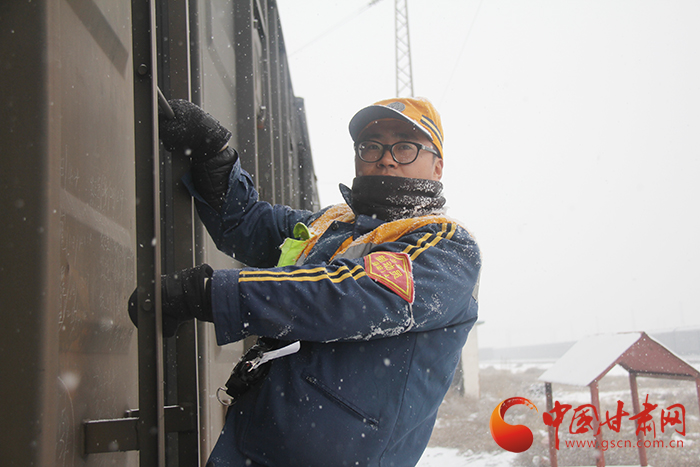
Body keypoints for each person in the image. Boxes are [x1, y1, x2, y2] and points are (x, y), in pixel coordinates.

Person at [131, 97, 481, 466]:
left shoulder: (448, 247)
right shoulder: (331, 226)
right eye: (371, 145)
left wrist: (206, 295)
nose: (386, 157)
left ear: (437, 166)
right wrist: (211, 153)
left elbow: (351, 295)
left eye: (406, 146)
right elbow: (246, 223)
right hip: (251, 447)